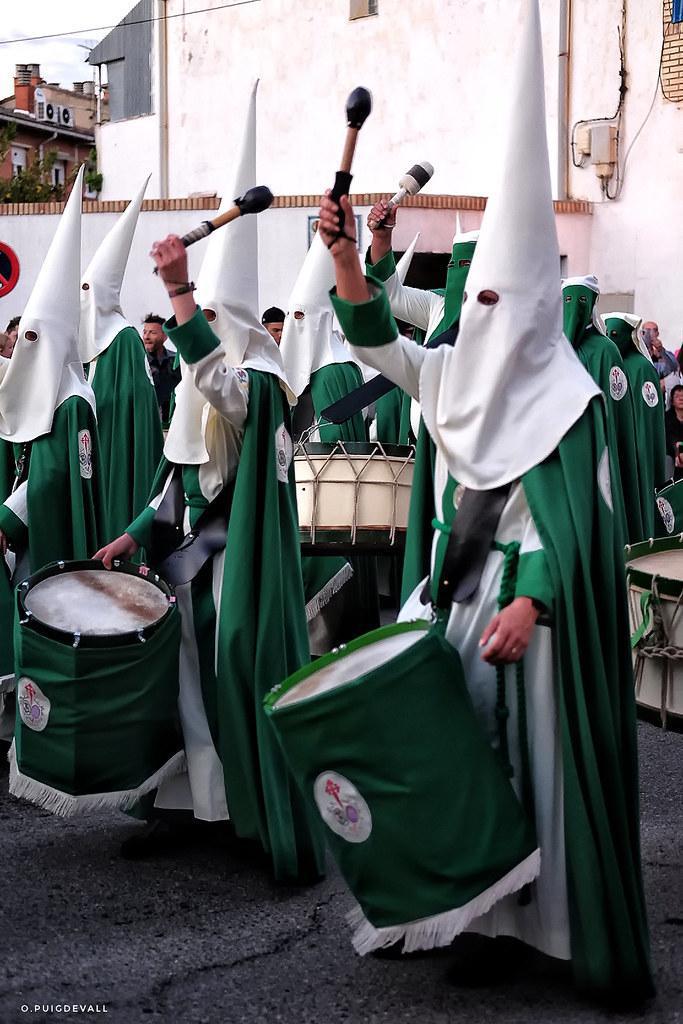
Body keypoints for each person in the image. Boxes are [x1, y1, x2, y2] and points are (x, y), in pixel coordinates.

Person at [316, 0, 653, 1003]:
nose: (487, 324)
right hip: (456, 595)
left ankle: (548, 931)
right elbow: (381, 345)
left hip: (526, 616)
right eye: (479, 307)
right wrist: (342, 260)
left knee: (540, 769)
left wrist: (534, 598)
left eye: (504, 307)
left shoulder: (574, 398)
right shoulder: (456, 369)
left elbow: (578, 515)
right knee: (462, 757)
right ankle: (473, 909)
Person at [96, 84, 324, 882]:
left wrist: (181, 294)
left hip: (236, 566)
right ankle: (189, 805)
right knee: (182, 684)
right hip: (184, 560)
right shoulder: (203, 374)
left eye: (212, 317)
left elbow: (225, 390)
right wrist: (131, 532)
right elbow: (176, 477)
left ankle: (255, 814)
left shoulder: (257, 377)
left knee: (232, 675)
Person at [0, 166, 107, 687]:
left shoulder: (73, 404)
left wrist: (9, 516)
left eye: (36, 340)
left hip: (50, 529)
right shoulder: (45, 395)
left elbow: (55, 475)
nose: (26, 350)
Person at [79, 177, 164, 542]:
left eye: (86, 291)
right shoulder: (82, 343)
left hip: (115, 457)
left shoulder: (125, 340)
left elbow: (135, 413)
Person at [562, 276, 643, 542]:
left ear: (593, 303)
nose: (574, 307)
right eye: (568, 300)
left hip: (599, 449)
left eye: (582, 300)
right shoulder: (553, 348)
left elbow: (617, 412)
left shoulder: (606, 352)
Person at [604, 312, 667, 537]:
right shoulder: (611, 363)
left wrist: (637, 444)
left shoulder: (641, 368)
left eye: (615, 334)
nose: (612, 340)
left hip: (637, 447)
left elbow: (646, 417)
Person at [143, 314, 181, 426]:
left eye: (152, 332)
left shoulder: (175, 362)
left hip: (173, 426)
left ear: (165, 336)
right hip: (148, 425)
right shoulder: (139, 363)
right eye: (145, 332)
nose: (146, 337)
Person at [665, 383, 683, 481]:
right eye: (677, 396)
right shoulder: (666, 418)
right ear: (672, 401)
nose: (681, 398)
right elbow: (669, 438)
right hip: (672, 455)